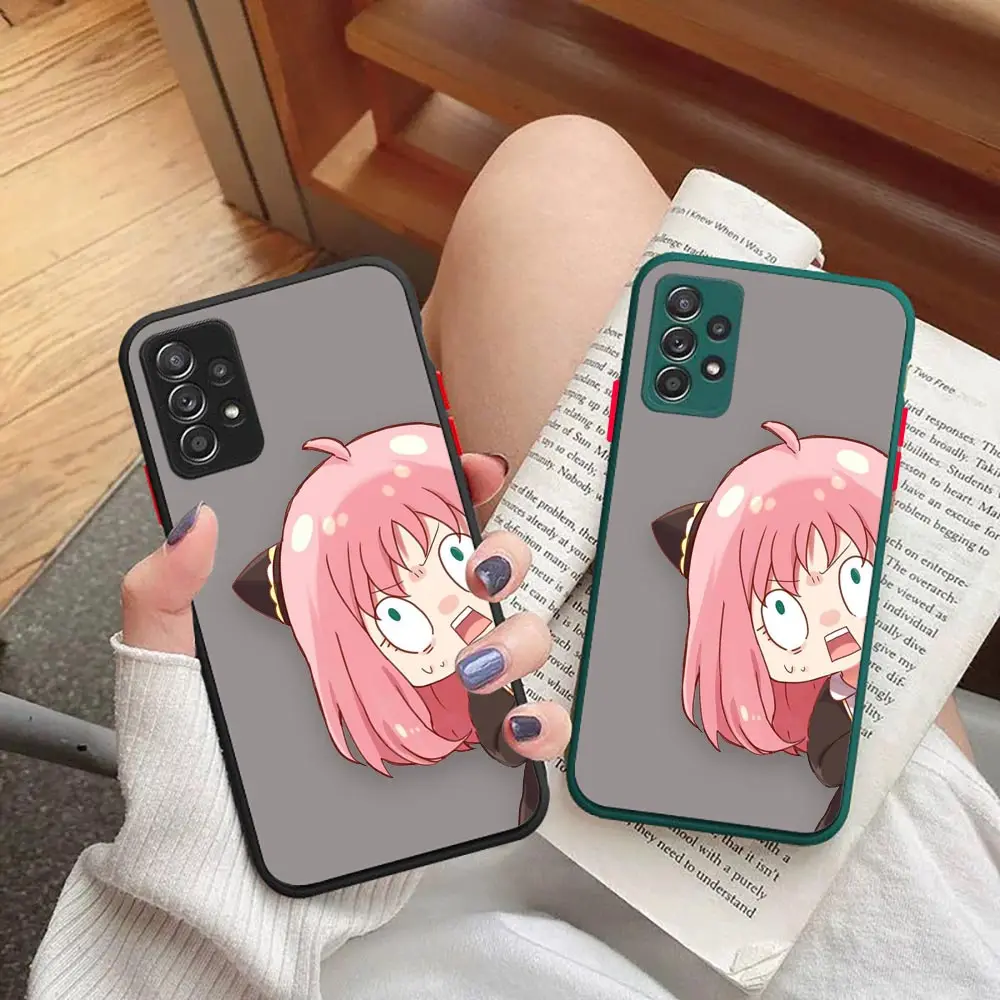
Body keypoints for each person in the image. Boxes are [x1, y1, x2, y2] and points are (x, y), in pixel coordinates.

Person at [29, 117, 999, 1000]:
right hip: (883, 940)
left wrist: (200, 887)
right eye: (393, 612)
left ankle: (433, 353)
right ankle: (432, 359)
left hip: (382, 905)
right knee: (561, 176)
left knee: (558, 176)